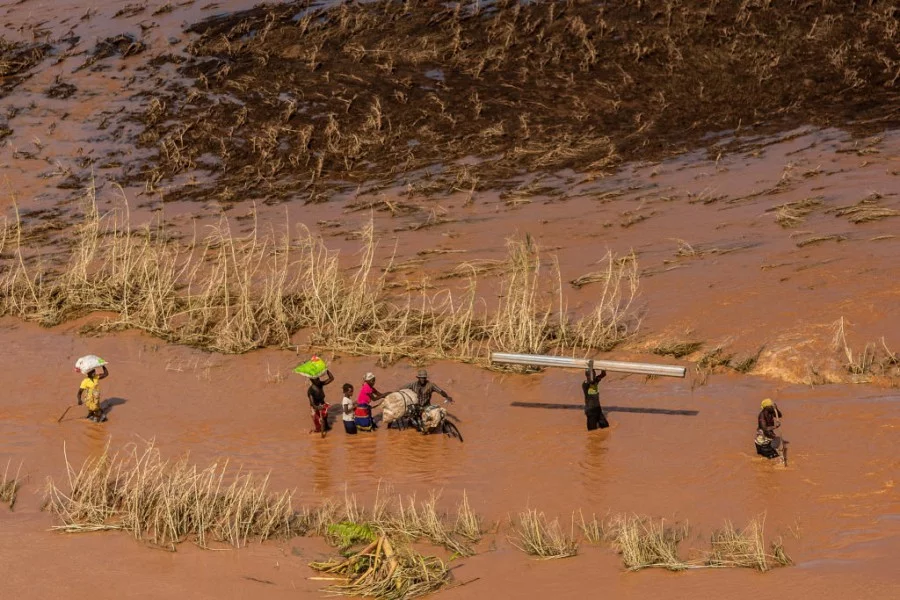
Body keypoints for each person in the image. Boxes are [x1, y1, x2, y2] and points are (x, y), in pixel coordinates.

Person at [582, 359, 609, 431]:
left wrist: (603, 367)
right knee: (592, 432)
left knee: (606, 428)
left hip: (598, 409)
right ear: (587, 376)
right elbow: (591, 380)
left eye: (594, 374)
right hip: (590, 411)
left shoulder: (595, 381)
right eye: (592, 374)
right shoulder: (585, 384)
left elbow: (603, 375)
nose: (594, 376)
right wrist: (590, 366)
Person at [308, 369, 335, 434]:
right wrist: (317, 407)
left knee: (325, 417)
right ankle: (315, 431)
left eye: (318, 378)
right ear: (311, 380)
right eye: (316, 379)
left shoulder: (320, 384)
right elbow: (312, 403)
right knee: (318, 427)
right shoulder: (310, 390)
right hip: (315, 407)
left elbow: (331, 378)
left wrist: (326, 370)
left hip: (322, 404)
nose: (318, 380)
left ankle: (326, 426)